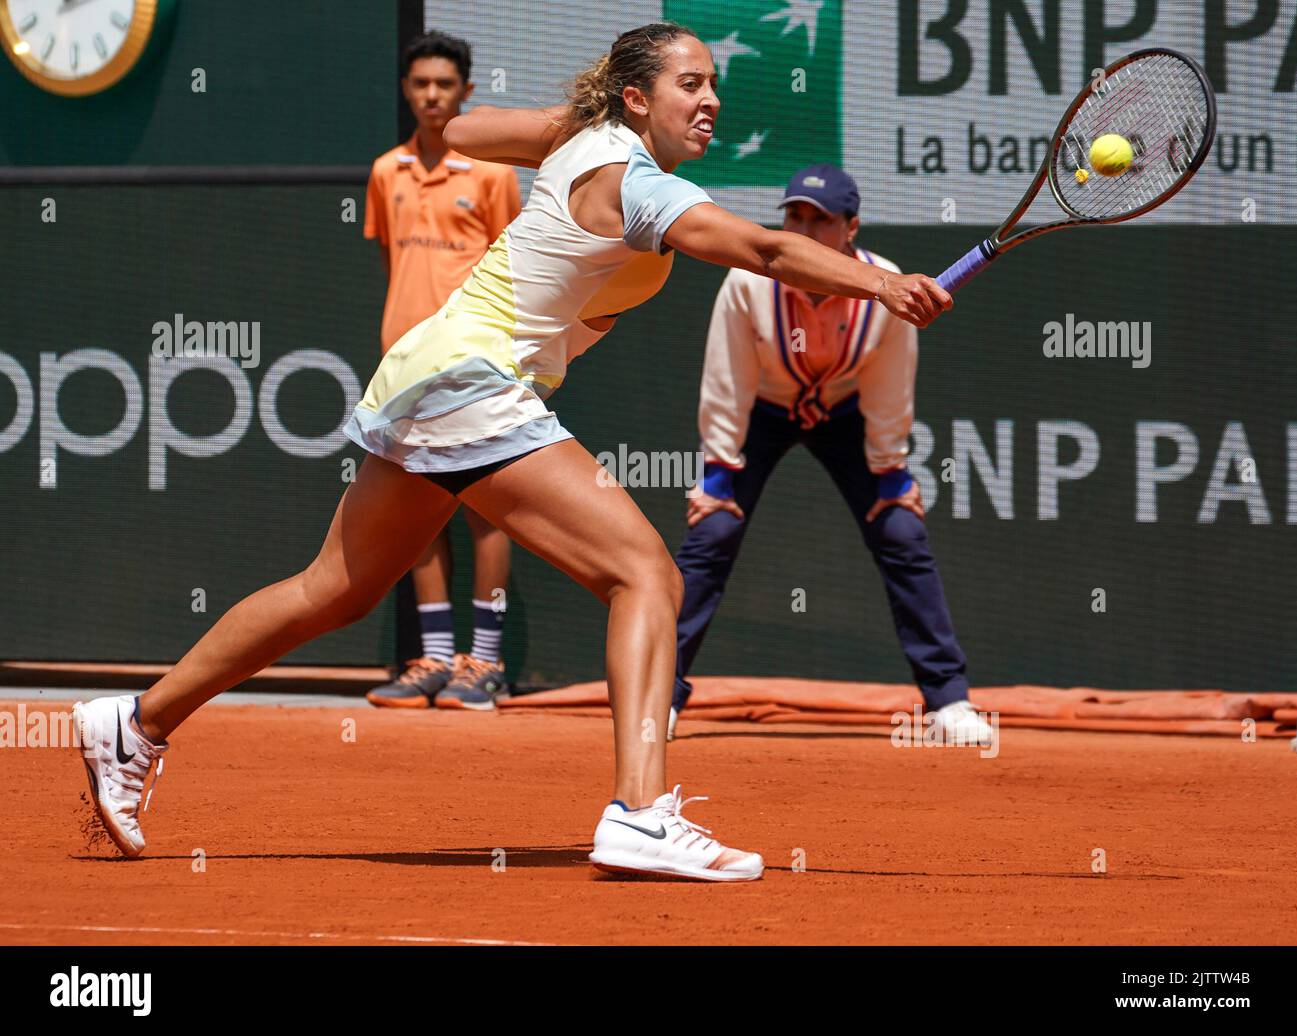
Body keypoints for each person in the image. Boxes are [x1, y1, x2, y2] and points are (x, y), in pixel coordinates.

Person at [72, 21, 951, 881]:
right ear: (639, 96)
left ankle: (137, 722)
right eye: (691, 84)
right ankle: (641, 814)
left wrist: (575, 122)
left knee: (329, 593)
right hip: (473, 381)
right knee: (645, 576)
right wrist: (881, 281)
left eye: (715, 83)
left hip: (432, 370)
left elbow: (460, 129)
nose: (712, 99)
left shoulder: (590, 142)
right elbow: (761, 246)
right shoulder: (637, 182)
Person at [666, 165, 991, 748]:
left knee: (901, 531)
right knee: (712, 531)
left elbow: (891, 388)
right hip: (762, 409)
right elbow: (727, 380)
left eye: (822, 220)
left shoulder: (887, 285)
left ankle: (948, 700)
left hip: (846, 412)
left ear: (852, 228)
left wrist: (890, 470)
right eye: (795, 216)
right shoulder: (749, 281)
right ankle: (658, 696)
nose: (806, 229)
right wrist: (716, 472)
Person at [363, 31, 522, 711]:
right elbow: (392, 266)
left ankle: (483, 664)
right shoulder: (383, 172)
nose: (432, 96)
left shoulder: (493, 175)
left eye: (445, 86)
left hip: (476, 364)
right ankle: (432, 657)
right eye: (421, 84)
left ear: (466, 94)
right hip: (403, 368)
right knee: (417, 514)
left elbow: (519, 271)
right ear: (408, 90)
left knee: (488, 512)